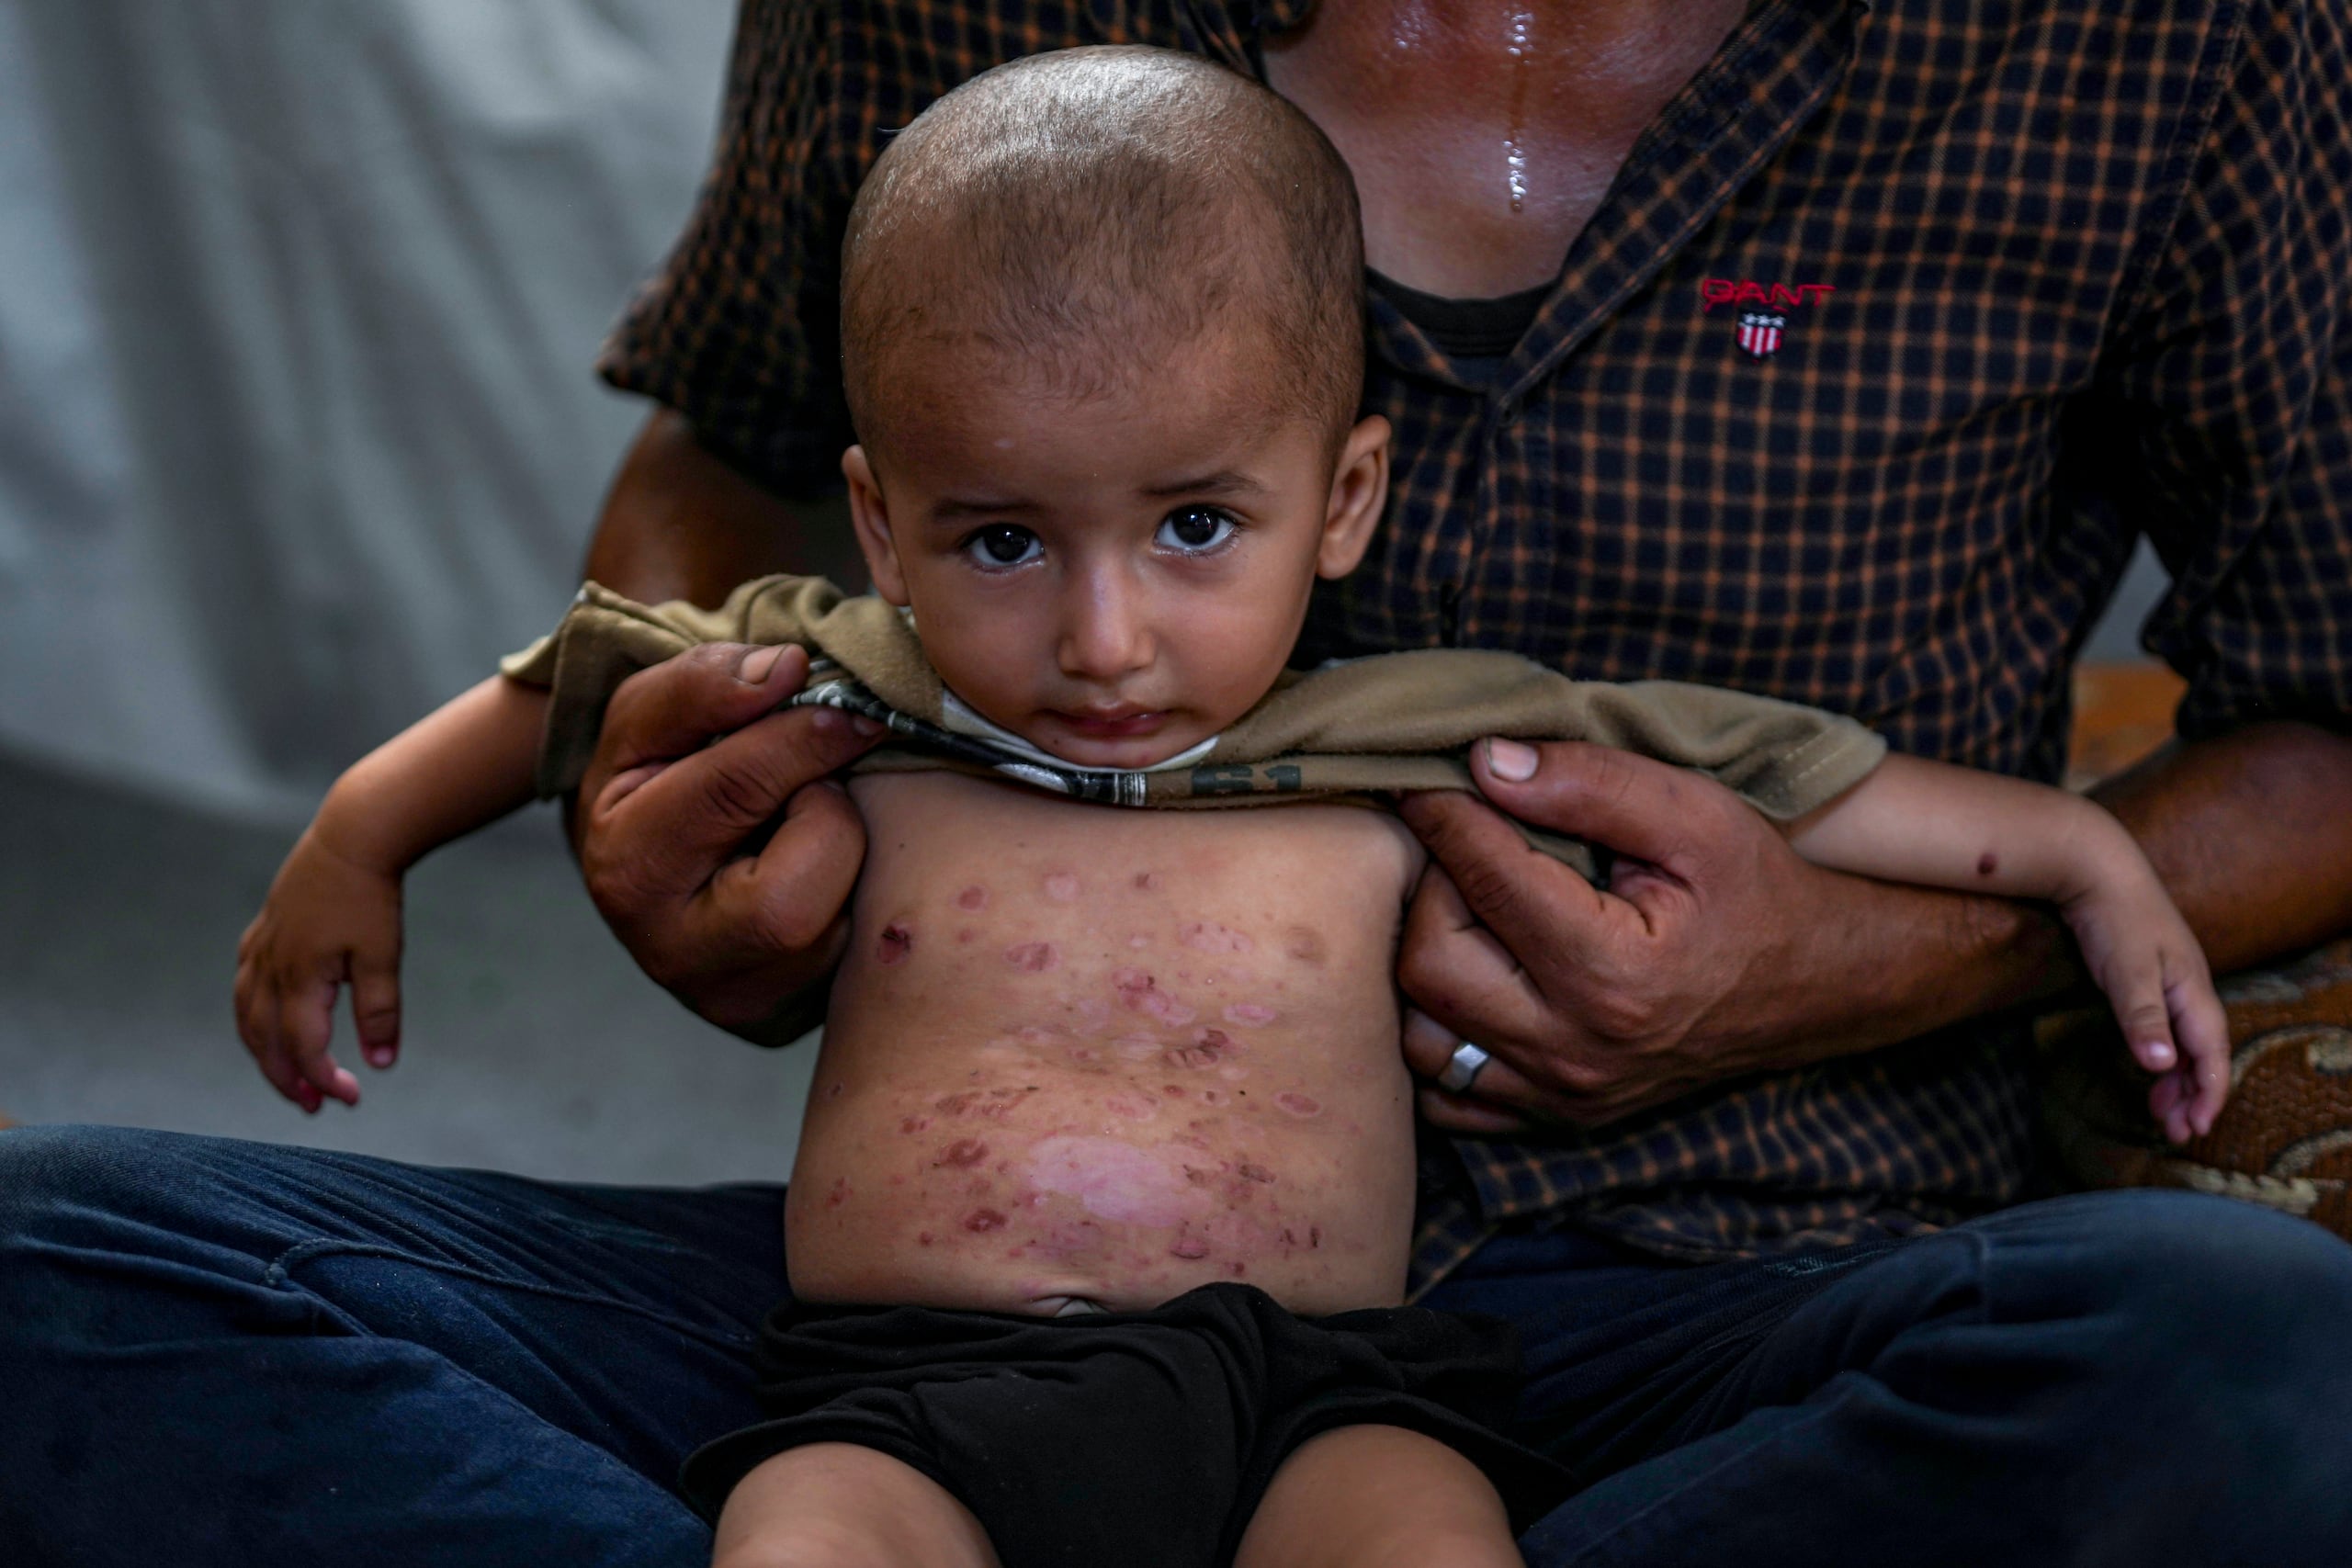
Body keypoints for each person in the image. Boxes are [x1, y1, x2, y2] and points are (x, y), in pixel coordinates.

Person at [6, 3, 2351, 1564]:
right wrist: (623, 819)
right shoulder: (902, 653)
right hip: (909, 1319)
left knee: (2225, 1353)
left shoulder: (2153, 41)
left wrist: (1954, 924)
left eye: (1193, 535)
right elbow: (669, 557)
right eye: (1014, 544)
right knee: (58, 1264)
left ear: (1340, 503)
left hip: (1673, 1305)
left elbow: (1916, 774)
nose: (1105, 640)